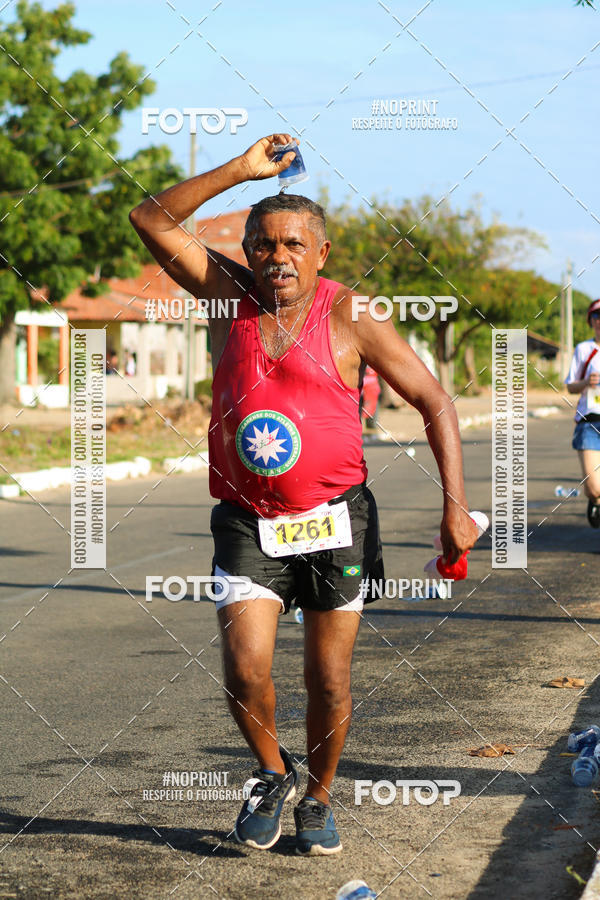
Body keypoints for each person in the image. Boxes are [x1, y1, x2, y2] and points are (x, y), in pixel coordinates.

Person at [129, 133, 478, 856]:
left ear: (320, 253)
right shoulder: (229, 299)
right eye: (262, 244)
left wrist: (453, 505)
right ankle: (269, 773)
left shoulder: (353, 314)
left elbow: (435, 401)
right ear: (248, 251)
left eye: (292, 243)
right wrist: (240, 172)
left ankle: (318, 796)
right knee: (246, 668)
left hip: (335, 522)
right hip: (248, 522)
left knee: (328, 679)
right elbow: (152, 220)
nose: (276, 257)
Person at [565, 298, 600, 527]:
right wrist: (586, 382)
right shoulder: (584, 349)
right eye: (597, 317)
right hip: (590, 422)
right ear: (591, 321)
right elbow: (570, 386)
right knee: (594, 487)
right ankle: (595, 500)